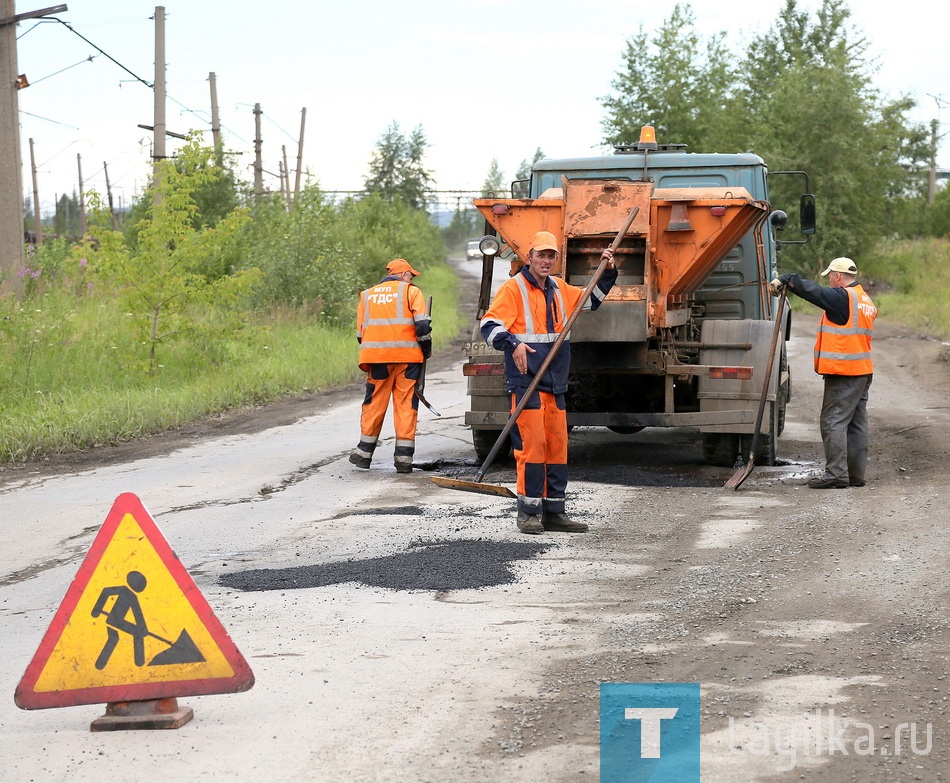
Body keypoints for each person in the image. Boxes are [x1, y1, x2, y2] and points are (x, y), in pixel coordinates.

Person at [480, 230, 618, 534]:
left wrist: (607, 271)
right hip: (526, 382)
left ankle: (555, 512)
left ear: (556, 259)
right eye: (540, 255)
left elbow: (591, 300)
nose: (545, 260)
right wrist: (512, 343)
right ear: (529, 257)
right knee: (533, 447)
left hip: (555, 383)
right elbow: (489, 325)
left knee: (557, 447)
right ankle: (528, 513)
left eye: (550, 255)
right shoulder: (514, 289)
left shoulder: (560, 289)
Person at [770, 257, 878, 489]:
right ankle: (855, 475)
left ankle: (837, 475)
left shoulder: (843, 298)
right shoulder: (864, 299)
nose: (829, 280)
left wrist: (788, 279)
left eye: (830, 275)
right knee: (856, 424)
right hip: (862, 371)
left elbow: (815, 292)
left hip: (844, 372)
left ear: (839, 276)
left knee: (833, 422)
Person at [350, 258, 432, 474]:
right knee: (406, 404)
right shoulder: (411, 292)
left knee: (374, 402)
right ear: (403, 274)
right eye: (410, 275)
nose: (411, 279)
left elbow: (360, 334)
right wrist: (426, 349)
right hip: (407, 360)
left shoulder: (366, 295)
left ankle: (364, 453)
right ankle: (403, 459)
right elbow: (422, 326)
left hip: (377, 360)